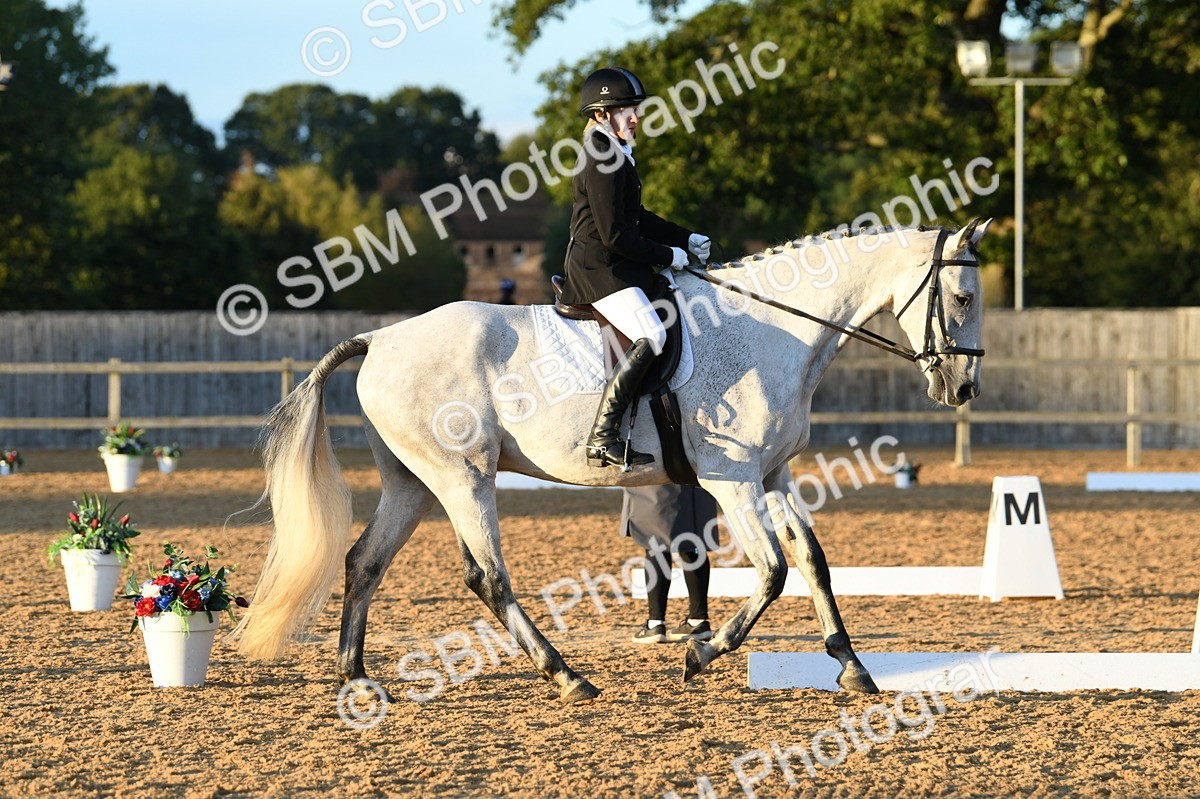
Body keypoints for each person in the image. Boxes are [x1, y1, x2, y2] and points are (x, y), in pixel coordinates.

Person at [559, 66, 712, 469]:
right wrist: (668, 256)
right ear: (600, 114)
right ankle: (602, 434)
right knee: (652, 331)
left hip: (615, 264)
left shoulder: (614, 152)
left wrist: (685, 238)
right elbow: (616, 237)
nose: (635, 116)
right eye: (626, 109)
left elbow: (637, 217)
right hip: (598, 270)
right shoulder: (601, 156)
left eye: (635, 108)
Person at [621, 483, 719, 643]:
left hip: (660, 475)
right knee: (693, 542)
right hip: (697, 476)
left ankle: (655, 623)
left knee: (656, 542)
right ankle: (698, 621)